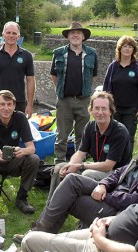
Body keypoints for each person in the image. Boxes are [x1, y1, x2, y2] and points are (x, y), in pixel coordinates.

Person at [13, 125, 138, 243]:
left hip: (119, 215)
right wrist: (103, 185)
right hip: (113, 200)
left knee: (70, 188)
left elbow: (135, 200)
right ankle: (40, 237)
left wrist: (108, 195)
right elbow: (117, 173)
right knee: (71, 183)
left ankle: (38, 235)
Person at [48, 91, 132, 199]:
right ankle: (51, 207)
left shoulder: (119, 131)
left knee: (87, 174)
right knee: (60, 167)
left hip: (117, 174)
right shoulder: (90, 127)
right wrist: (71, 165)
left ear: (110, 111)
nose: (100, 112)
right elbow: (80, 152)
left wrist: (80, 166)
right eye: (96, 108)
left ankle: (73, 204)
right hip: (98, 168)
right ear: (91, 110)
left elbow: (108, 165)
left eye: (104, 108)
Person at [51, 22, 98, 163]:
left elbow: (93, 76)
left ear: (83, 36)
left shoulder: (91, 53)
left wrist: (83, 90)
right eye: (72, 33)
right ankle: (59, 162)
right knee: (62, 135)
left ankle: (78, 163)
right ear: (68, 37)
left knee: (82, 135)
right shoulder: (59, 53)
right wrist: (62, 89)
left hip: (83, 100)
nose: (75, 35)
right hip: (64, 100)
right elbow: (54, 75)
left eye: (78, 33)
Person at [103, 36, 138, 154]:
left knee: (128, 136)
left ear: (134, 50)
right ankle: (112, 161)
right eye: (125, 46)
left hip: (131, 109)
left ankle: (126, 163)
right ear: (120, 48)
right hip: (114, 109)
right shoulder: (113, 67)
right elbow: (106, 88)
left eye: (130, 47)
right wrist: (105, 106)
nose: (127, 49)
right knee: (113, 135)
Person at [0, 21, 35, 117]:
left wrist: (30, 105)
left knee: (17, 132)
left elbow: (30, 80)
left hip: (19, 103)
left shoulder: (27, 56)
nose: (11, 35)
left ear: (18, 36)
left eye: (14, 33)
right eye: (8, 33)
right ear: (3, 35)